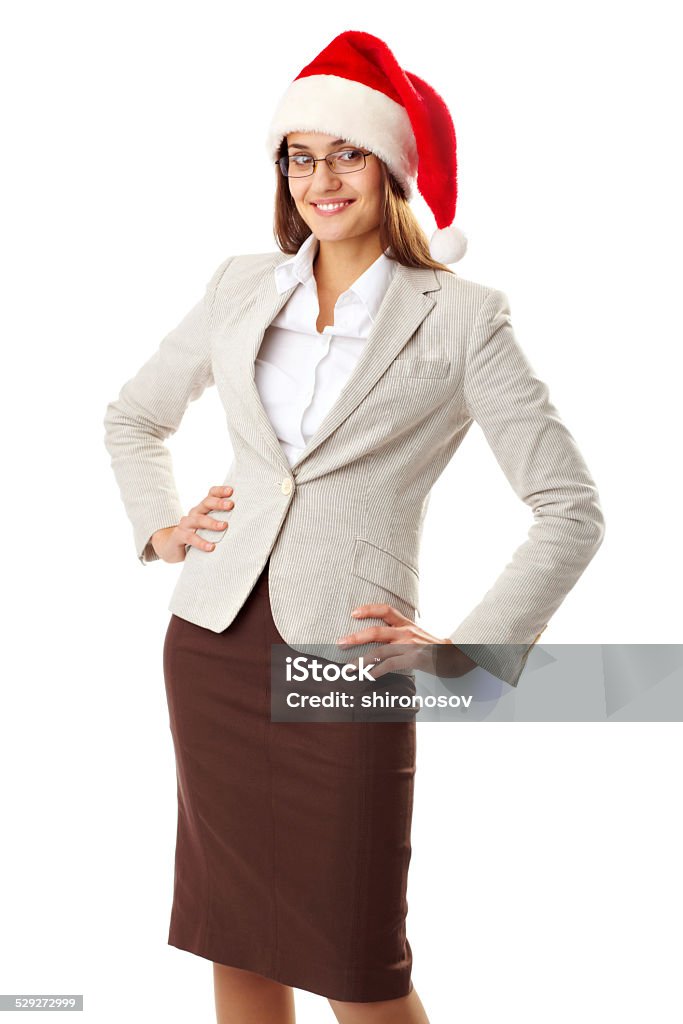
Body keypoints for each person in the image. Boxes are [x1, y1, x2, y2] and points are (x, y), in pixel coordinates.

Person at [103, 29, 605, 1024]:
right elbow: (133, 416)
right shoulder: (241, 286)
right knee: (236, 938)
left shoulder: (460, 318)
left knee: (355, 963)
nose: (321, 178)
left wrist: (469, 650)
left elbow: (568, 505)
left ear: (389, 168)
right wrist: (160, 526)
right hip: (210, 642)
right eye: (300, 154)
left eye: (347, 153)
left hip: (346, 659)